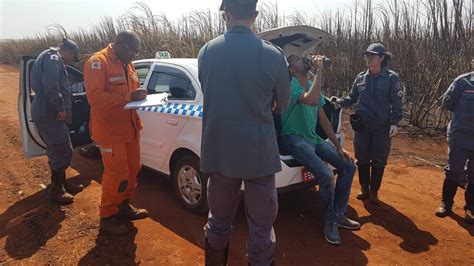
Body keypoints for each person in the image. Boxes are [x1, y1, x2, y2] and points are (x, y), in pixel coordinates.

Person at [198, 0, 290, 264]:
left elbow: (211, 93)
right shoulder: (273, 55)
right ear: (256, 15)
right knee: (261, 229)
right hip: (257, 156)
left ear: (226, 15)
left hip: (220, 152)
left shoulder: (206, 51)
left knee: (218, 222)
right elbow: (281, 105)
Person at [280, 54, 359, 245]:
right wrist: (320, 70)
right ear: (292, 69)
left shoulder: (312, 85)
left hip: (311, 138)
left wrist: (339, 147)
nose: (304, 60)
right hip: (293, 137)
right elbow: (312, 100)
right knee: (325, 175)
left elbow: (322, 119)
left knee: (348, 166)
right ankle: (329, 221)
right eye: (298, 59)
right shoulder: (290, 85)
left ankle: (338, 214)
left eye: (304, 57)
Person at [83, 30, 149, 235]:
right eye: (132, 50)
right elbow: (95, 99)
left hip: (130, 129)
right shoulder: (98, 62)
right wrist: (129, 97)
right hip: (110, 131)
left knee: (133, 169)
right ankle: (108, 216)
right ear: (119, 43)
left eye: (137, 52)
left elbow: (129, 93)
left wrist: (140, 96)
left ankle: (123, 205)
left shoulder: (126, 63)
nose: (134, 56)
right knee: (116, 174)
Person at [333, 43, 403, 205]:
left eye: (372, 55)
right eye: (367, 55)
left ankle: (374, 191)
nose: (368, 58)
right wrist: (339, 101)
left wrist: (395, 123)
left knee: (379, 160)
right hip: (362, 126)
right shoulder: (360, 78)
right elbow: (352, 98)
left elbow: (397, 103)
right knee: (362, 158)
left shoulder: (392, 78)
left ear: (382, 58)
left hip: (382, 127)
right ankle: (364, 187)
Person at [31, 38, 84, 204]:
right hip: (50, 112)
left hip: (47, 110)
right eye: (71, 56)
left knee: (56, 148)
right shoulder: (53, 58)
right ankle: (56, 190)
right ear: (68, 51)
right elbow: (52, 87)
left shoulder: (48, 56)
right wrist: (61, 109)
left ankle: (61, 184)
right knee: (63, 149)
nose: (69, 60)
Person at [435, 60, 474, 224]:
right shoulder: (462, 81)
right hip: (460, 135)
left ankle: (471, 208)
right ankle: (446, 204)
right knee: (453, 170)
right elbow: (447, 103)